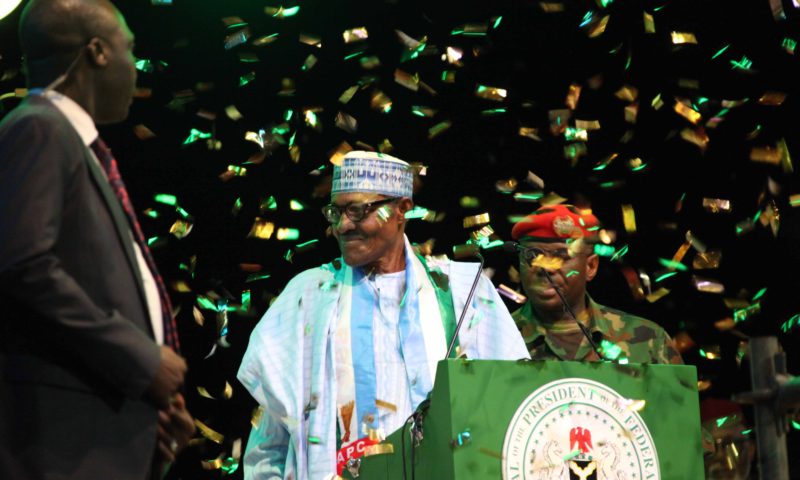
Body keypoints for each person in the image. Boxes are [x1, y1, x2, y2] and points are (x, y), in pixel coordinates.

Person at [237, 151, 530, 479]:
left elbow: (514, 410)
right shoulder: (307, 298)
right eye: (336, 211)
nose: (343, 226)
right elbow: (267, 446)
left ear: (402, 209)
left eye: (358, 210)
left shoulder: (464, 290)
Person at [0, 1, 194, 478]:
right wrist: (142, 359)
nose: (134, 65)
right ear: (98, 52)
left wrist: (153, 402)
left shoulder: (70, 142)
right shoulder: (39, 128)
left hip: (99, 430)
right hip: (60, 445)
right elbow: (22, 267)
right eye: (130, 48)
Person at [509, 204, 682, 364]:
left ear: (591, 266)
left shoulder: (648, 341)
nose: (545, 268)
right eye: (532, 255)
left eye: (561, 256)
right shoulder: (492, 338)